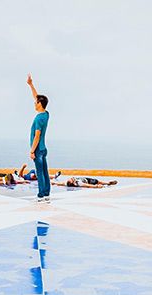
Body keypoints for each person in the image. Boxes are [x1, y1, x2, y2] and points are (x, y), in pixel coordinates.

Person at [27, 73, 51, 202]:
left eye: (36, 102)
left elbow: (37, 136)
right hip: (43, 148)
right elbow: (37, 97)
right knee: (45, 172)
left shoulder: (38, 119)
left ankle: (41, 195)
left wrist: (32, 151)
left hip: (37, 149)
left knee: (40, 172)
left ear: (40, 104)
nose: (34, 103)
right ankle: (47, 192)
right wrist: (31, 85)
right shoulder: (46, 114)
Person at [52, 176, 118, 188]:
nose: (71, 178)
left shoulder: (66, 182)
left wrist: (54, 183)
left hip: (84, 178)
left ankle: (107, 183)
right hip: (87, 181)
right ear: (73, 182)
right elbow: (88, 185)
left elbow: (60, 183)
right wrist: (97, 186)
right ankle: (108, 183)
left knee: (97, 181)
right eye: (71, 179)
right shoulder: (79, 183)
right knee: (97, 181)